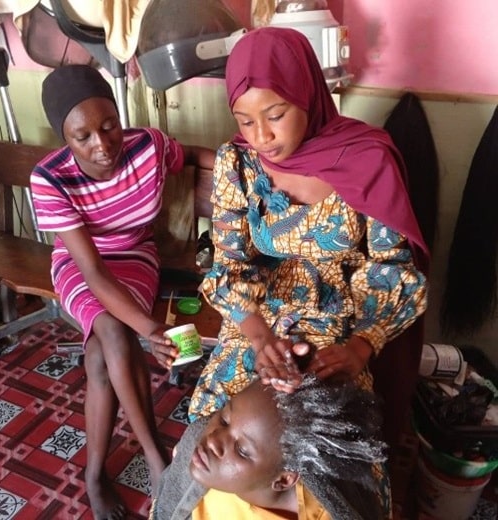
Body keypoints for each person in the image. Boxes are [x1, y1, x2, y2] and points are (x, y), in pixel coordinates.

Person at [150, 26, 429, 515]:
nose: (262, 136)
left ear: (308, 95)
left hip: (337, 326)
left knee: (337, 457)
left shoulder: (366, 161)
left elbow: (390, 270)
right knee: (211, 426)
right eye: (245, 120)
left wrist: (359, 348)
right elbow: (229, 263)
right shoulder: (239, 162)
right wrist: (258, 339)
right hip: (257, 320)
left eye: (275, 115)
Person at [30, 64, 215, 520]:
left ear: (118, 115)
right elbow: (93, 271)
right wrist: (150, 329)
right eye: (83, 136)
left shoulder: (148, 146)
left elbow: (190, 154)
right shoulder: (49, 178)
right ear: (64, 139)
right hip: (81, 264)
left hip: (136, 256)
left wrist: (239, 164)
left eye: (109, 125)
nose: (103, 144)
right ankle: (156, 458)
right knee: (112, 331)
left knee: (98, 356)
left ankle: (94, 473)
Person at [151, 375, 388, 520]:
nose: (213, 440)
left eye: (242, 451)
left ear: (283, 480)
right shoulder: (204, 457)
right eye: (224, 419)